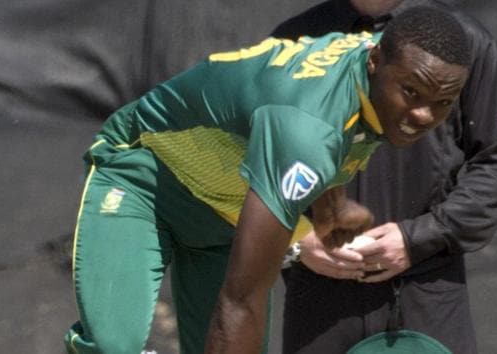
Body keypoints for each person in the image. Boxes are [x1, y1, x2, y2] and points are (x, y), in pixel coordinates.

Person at [62, 6, 471, 354]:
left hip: (223, 213)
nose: (423, 116)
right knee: (114, 347)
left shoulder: (373, 62)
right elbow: (240, 301)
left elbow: (339, 129)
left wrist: (332, 208)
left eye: (442, 103)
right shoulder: (306, 129)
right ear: (374, 61)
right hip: (144, 181)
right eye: (412, 93)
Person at [272, 1, 497, 353]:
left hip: (425, 291)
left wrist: (416, 239)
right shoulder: (294, 40)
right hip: (320, 294)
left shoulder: (462, 40)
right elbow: (247, 163)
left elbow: (495, 163)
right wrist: (297, 242)